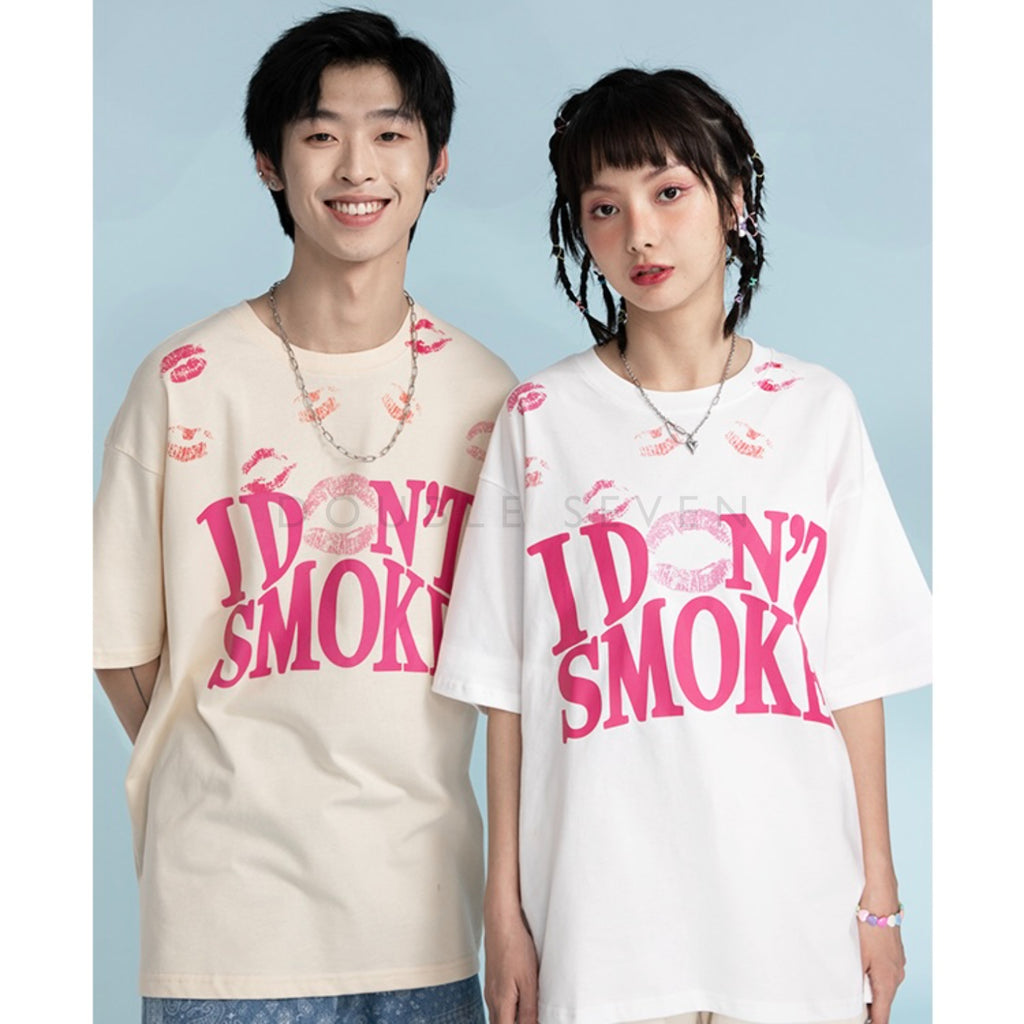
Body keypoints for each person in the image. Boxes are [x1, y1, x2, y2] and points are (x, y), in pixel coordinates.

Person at [433, 68, 931, 1024]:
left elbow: (853, 674)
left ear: (734, 199)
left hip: (790, 913)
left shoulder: (816, 410)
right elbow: (505, 688)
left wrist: (880, 900)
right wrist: (504, 909)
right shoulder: (540, 418)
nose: (641, 234)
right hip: (602, 920)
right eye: (605, 208)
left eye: (669, 193)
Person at [93, 9, 515, 1023]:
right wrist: (221, 760)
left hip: (424, 916)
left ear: (436, 162)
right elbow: (116, 639)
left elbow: (512, 669)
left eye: (390, 132)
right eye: (321, 134)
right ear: (268, 165)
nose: (355, 166)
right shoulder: (185, 379)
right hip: (225, 931)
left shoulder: (489, 397)